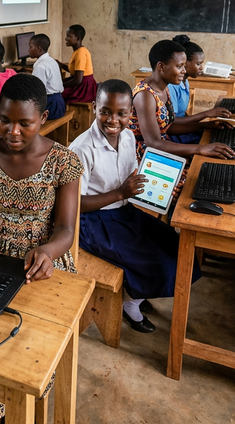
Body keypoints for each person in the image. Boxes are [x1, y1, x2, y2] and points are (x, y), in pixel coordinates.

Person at [0, 73, 83, 424]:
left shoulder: (63, 161)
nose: (12, 131)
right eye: (4, 120)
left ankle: (3, 409)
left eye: (25, 123)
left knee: (24, 343)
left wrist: (48, 251)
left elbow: (66, 229)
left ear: (42, 119)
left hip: (42, 261)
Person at [70, 79, 201, 333]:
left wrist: (159, 189)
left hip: (123, 211)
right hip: (92, 222)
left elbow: (131, 177)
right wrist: (120, 192)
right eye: (105, 111)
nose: (112, 120)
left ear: (131, 113)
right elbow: (73, 205)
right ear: (94, 107)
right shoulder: (82, 148)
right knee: (160, 265)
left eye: (121, 113)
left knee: (180, 249)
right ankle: (129, 302)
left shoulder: (128, 136)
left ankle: (137, 294)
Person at [128, 39, 235, 164]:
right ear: (161, 66)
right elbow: (153, 143)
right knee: (200, 171)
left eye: (184, 66)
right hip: (145, 157)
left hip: (161, 149)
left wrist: (206, 125)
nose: (184, 71)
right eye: (179, 67)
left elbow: (169, 127)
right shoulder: (145, 95)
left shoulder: (163, 90)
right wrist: (199, 149)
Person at [168, 34, 231, 144]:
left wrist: (204, 125)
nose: (201, 68)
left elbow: (182, 115)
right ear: (184, 62)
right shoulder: (171, 86)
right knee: (213, 143)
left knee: (216, 135)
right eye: (198, 64)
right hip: (174, 136)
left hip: (182, 130)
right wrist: (206, 114)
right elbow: (172, 122)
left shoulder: (185, 81)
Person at [28, 33, 66, 119]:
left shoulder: (41, 66)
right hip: (59, 102)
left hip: (50, 104)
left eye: (30, 47)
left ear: (38, 48)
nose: (28, 50)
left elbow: (37, 91)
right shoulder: (51, 61)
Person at [59, 24, 97, 104]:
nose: (66, 39)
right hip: (80, 83)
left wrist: (61, 85)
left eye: (69, 36)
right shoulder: (78, 51)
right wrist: (61, 65)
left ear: (78, 38)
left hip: (83, 88)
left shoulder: (81, 53)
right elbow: (75, 71)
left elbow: (77, 80)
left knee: (58, 96)